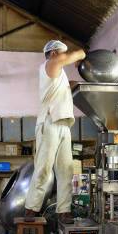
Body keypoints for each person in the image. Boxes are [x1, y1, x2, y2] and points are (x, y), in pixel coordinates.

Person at [24, 39, 86, 224]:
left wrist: (75, 84)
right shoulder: (49, 64)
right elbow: (77, 54)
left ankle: (64, 211)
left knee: (66, 170)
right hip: (49, 123)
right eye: (61, 53)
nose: (63, 56)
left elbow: (66, 86)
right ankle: (31, 209)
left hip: (64, 125)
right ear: (53, 53)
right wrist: (82, 54)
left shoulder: (58, 74)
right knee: (43, 167)